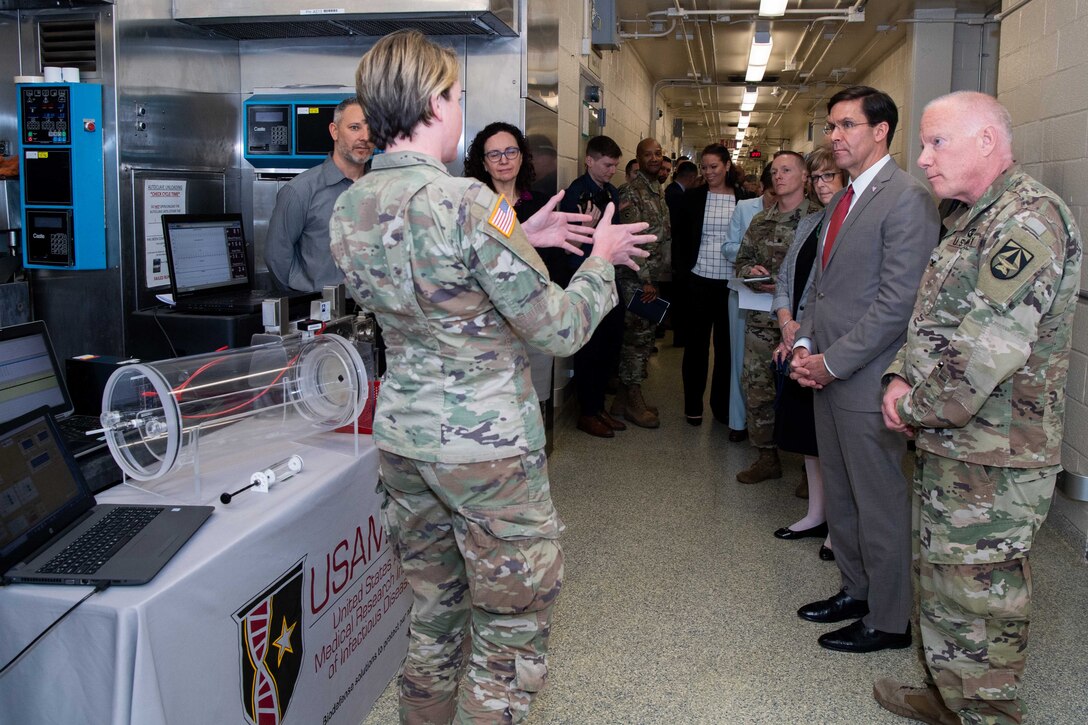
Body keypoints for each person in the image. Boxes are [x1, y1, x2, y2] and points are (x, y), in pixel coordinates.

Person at [329, 30, 652, 723]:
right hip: (486, 454)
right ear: (431, 104)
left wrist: (519, 236)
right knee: (508, 632)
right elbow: (559, 327)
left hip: (405, 443)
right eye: (454, 94)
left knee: (434, 616)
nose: (460, 107)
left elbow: (434, 277)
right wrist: (601, 260)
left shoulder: (351, 205)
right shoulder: (469, 202)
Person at [875, 92, 1082, 724]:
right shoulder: (968, 217)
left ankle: (988, 713)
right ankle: (947, 694)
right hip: (953, 444)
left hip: (997, 457)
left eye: (938, 142)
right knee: (942, 580)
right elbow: (933, 324)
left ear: (987, 142)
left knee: (982, 593)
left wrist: (911, 406)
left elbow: (981, 358)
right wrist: (895, 377)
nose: (923, 157)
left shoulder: (1026, 222)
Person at [790, 85, 940, 654]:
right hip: (826, 372)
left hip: (868, 376)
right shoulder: (842, 200)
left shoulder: (907, 199)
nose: (835, 136)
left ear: (880, 131)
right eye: (831, 126)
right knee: (845, 495)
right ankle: (855, 591)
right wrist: (805, 343)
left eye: (847, 125)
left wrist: (832, 361)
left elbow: (898, 304)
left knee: (878, 500)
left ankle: (890, 618)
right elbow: (821, 288)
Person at [770, 146, 846, 558]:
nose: (820, 185)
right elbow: (785, 277)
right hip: (798, 342)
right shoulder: (810, 222)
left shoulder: (854, 223)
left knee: (833, 441)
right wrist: (787, 326)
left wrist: (806, 335)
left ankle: (839, 525)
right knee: (807, 436)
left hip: (830, 348)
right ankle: (816, 513)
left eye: (828, 177)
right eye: (815, 178)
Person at [734, 151, 818, 483]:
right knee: (757, 387)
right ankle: (767, 457)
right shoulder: (760, 220)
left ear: (804, 177)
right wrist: (749, 271)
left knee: (806, 391)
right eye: (775, 171)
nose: (779, 176)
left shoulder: (818, 220)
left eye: (787, 170)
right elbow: (741, 262)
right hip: (760, 319)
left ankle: (810, 471)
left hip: (802, 322)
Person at [465, 122, 556, 409]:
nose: (503, 160)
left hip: (534, 319)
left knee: (534, 403)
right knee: (494, 407)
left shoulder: (542, 205)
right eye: (494, 154)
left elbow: (552, 263)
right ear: (483, 163)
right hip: (486, 324)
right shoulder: (473, 206)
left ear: (521, 156)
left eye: (510, 151)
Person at [672, 144, 749, 425]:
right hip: (699, 280)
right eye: (704, 167)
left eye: (714, 166)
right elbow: (679, 238)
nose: (708, 172)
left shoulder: (744, 198)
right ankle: (693, 405)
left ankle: (722, 407)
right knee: (696, 347)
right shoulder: (692, 198)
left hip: (731, 284)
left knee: (727, 349)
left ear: (727, 166)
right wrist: (683, 273)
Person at [558, 135, 627, 438]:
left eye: (615, 165)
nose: (613, 170)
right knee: (591, 348)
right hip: (584, 277)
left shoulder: (609, 191)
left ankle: (599, 406)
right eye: (608, 164)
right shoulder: (576, 192)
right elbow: (571, 245)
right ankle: (588, 411)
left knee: (610, 344)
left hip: (608, 275)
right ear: (590, 160)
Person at [266, 97, 372, 293]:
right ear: (334, 131)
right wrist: (303, 305)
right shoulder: (300, 191)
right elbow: (277, 259)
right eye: (355, 127)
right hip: (322, 314)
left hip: (378, 316)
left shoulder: (385, 188)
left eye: (371, 128)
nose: (365, 137)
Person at [612, 138, 669, 429]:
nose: (655, 158)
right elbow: (631, 241)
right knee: (637, 341)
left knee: (644, 338)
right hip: (635, 279)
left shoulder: (657, 190)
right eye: (649, 154)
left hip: (651, 278)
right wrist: (647, 280)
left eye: (658, 153)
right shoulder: (631, 192)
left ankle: (621, 401)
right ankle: (633, 400)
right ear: (638, 158)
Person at [721, 164, 775, 442]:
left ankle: (771, 428)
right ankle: (738, 421)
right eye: (771, 195)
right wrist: (751, 255)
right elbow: (728, 247)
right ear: (762, 189)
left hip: (778, 297)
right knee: (741, 360)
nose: (775, 202)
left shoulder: (803, 212)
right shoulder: (745, 208)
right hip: (746, 294)